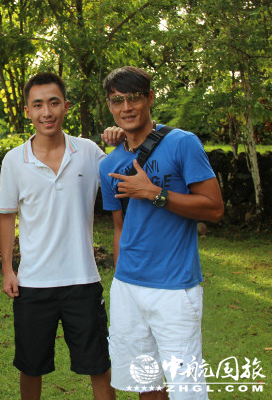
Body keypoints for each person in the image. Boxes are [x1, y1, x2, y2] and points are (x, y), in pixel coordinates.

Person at [98, 66, 224, 400]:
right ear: (110, 106)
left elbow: (214, 208)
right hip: (128, 287)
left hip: (174, 288)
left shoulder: (182, 143)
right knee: (146, 383)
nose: (126, 107)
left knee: (186, 387)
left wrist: (155, 193)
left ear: (150, 98)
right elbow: (120, 227)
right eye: (117, 100)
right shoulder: (108, 164)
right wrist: (120, 278)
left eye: (134, 98)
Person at [0, 72, 116, 400]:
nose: (46, 112)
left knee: (98, 364)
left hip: (83, 279)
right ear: (27, 111)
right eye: (38, 105)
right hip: (33, 283)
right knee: (31, 366)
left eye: (53, 103)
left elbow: (121, 178)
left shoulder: (88, 152)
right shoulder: (14, 160)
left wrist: (120, 142)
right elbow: (6, 217)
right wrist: (8, 270)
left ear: (66, 106)